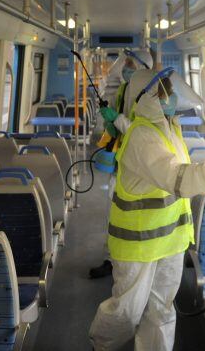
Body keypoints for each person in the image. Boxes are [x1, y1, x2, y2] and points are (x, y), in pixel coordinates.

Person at [89, 72, 205, 351]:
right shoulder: (143, 136)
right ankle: (102, 344)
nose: (173, 99)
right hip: (138, 243)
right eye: (166, 94)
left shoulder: (169, 128)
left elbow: (183, 166)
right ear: (150, 99)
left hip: (170, 240)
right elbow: (176, 177)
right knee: (127, 311)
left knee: (162, 309)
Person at [88, 56, 137, 279]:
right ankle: (111, 259)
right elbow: (120, 123)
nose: (125, 70)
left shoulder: (149, 97)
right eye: (125, 66)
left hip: (138, 167)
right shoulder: (124, 89)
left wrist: (117, 118)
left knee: (133, 218)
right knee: (113, 214)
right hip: (121, 161)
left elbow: (139, 131)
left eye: (130, 66)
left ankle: (129, 262)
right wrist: (111, 121)